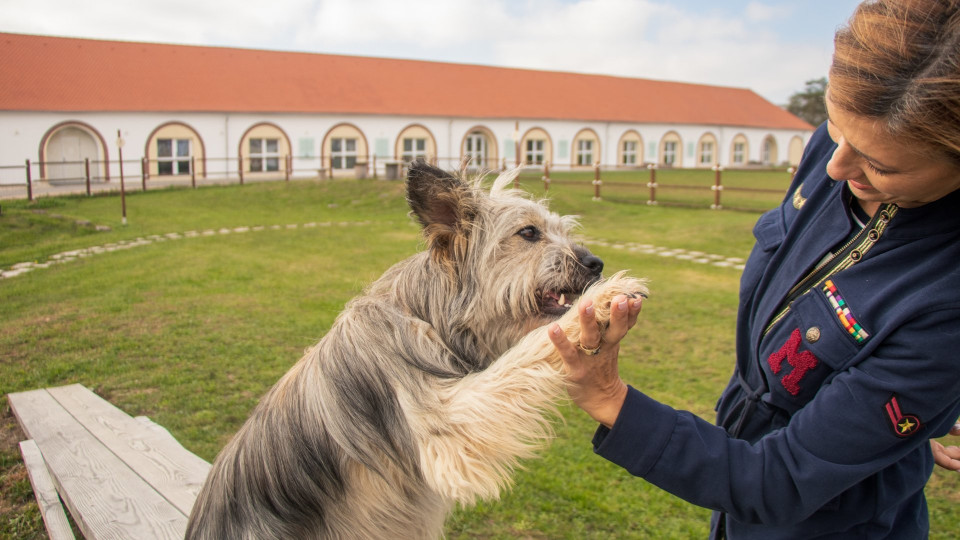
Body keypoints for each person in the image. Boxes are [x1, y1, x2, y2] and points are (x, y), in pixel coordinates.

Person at [548, 0, 960, 537]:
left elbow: (778, 482)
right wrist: (879, 420)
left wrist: (609, 397)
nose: (835, 167)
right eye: (834, 129)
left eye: (880, 165)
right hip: (738, 460)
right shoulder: (843, 150)